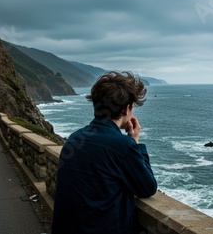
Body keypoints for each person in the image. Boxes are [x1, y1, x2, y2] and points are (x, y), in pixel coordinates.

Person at [52, 71, 157, 234]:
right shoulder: (123, 146)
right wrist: (135, 141)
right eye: (132, 107)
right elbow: (147, 187)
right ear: (126, 109)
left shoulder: (74, 138)